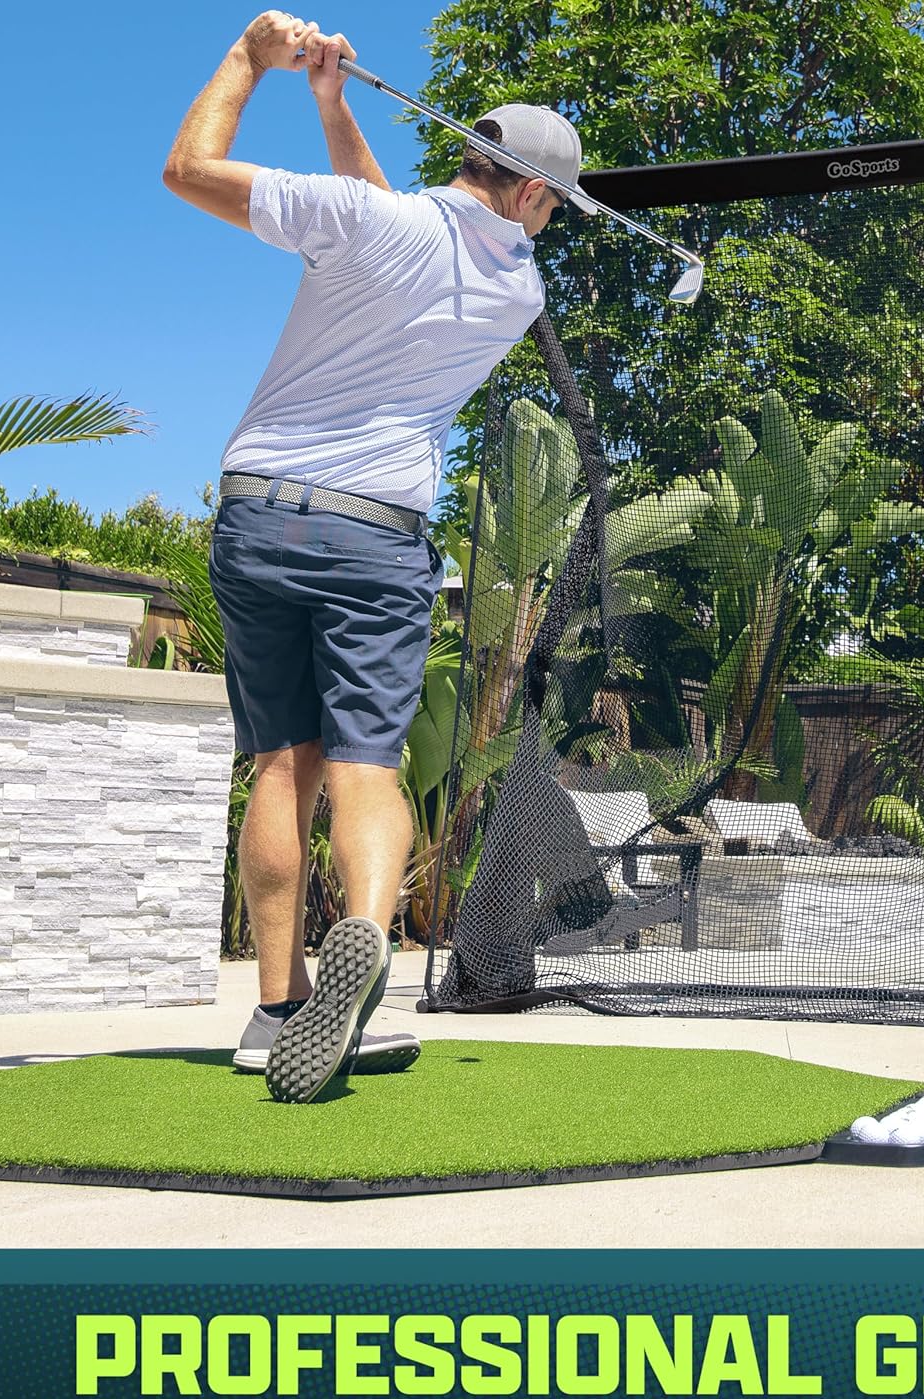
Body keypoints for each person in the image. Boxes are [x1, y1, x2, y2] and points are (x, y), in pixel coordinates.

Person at [162, 11, 581, 1103]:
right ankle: (364, 947)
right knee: (366, 766)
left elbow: (187, 169)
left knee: (281, 766)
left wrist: (252, 63)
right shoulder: (518, 288)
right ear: (534, 197)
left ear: (466, 158)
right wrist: (336, 108)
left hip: (261, 512)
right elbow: (409, 228)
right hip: (377, 533)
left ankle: (278, 1006)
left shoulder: (354, 220)